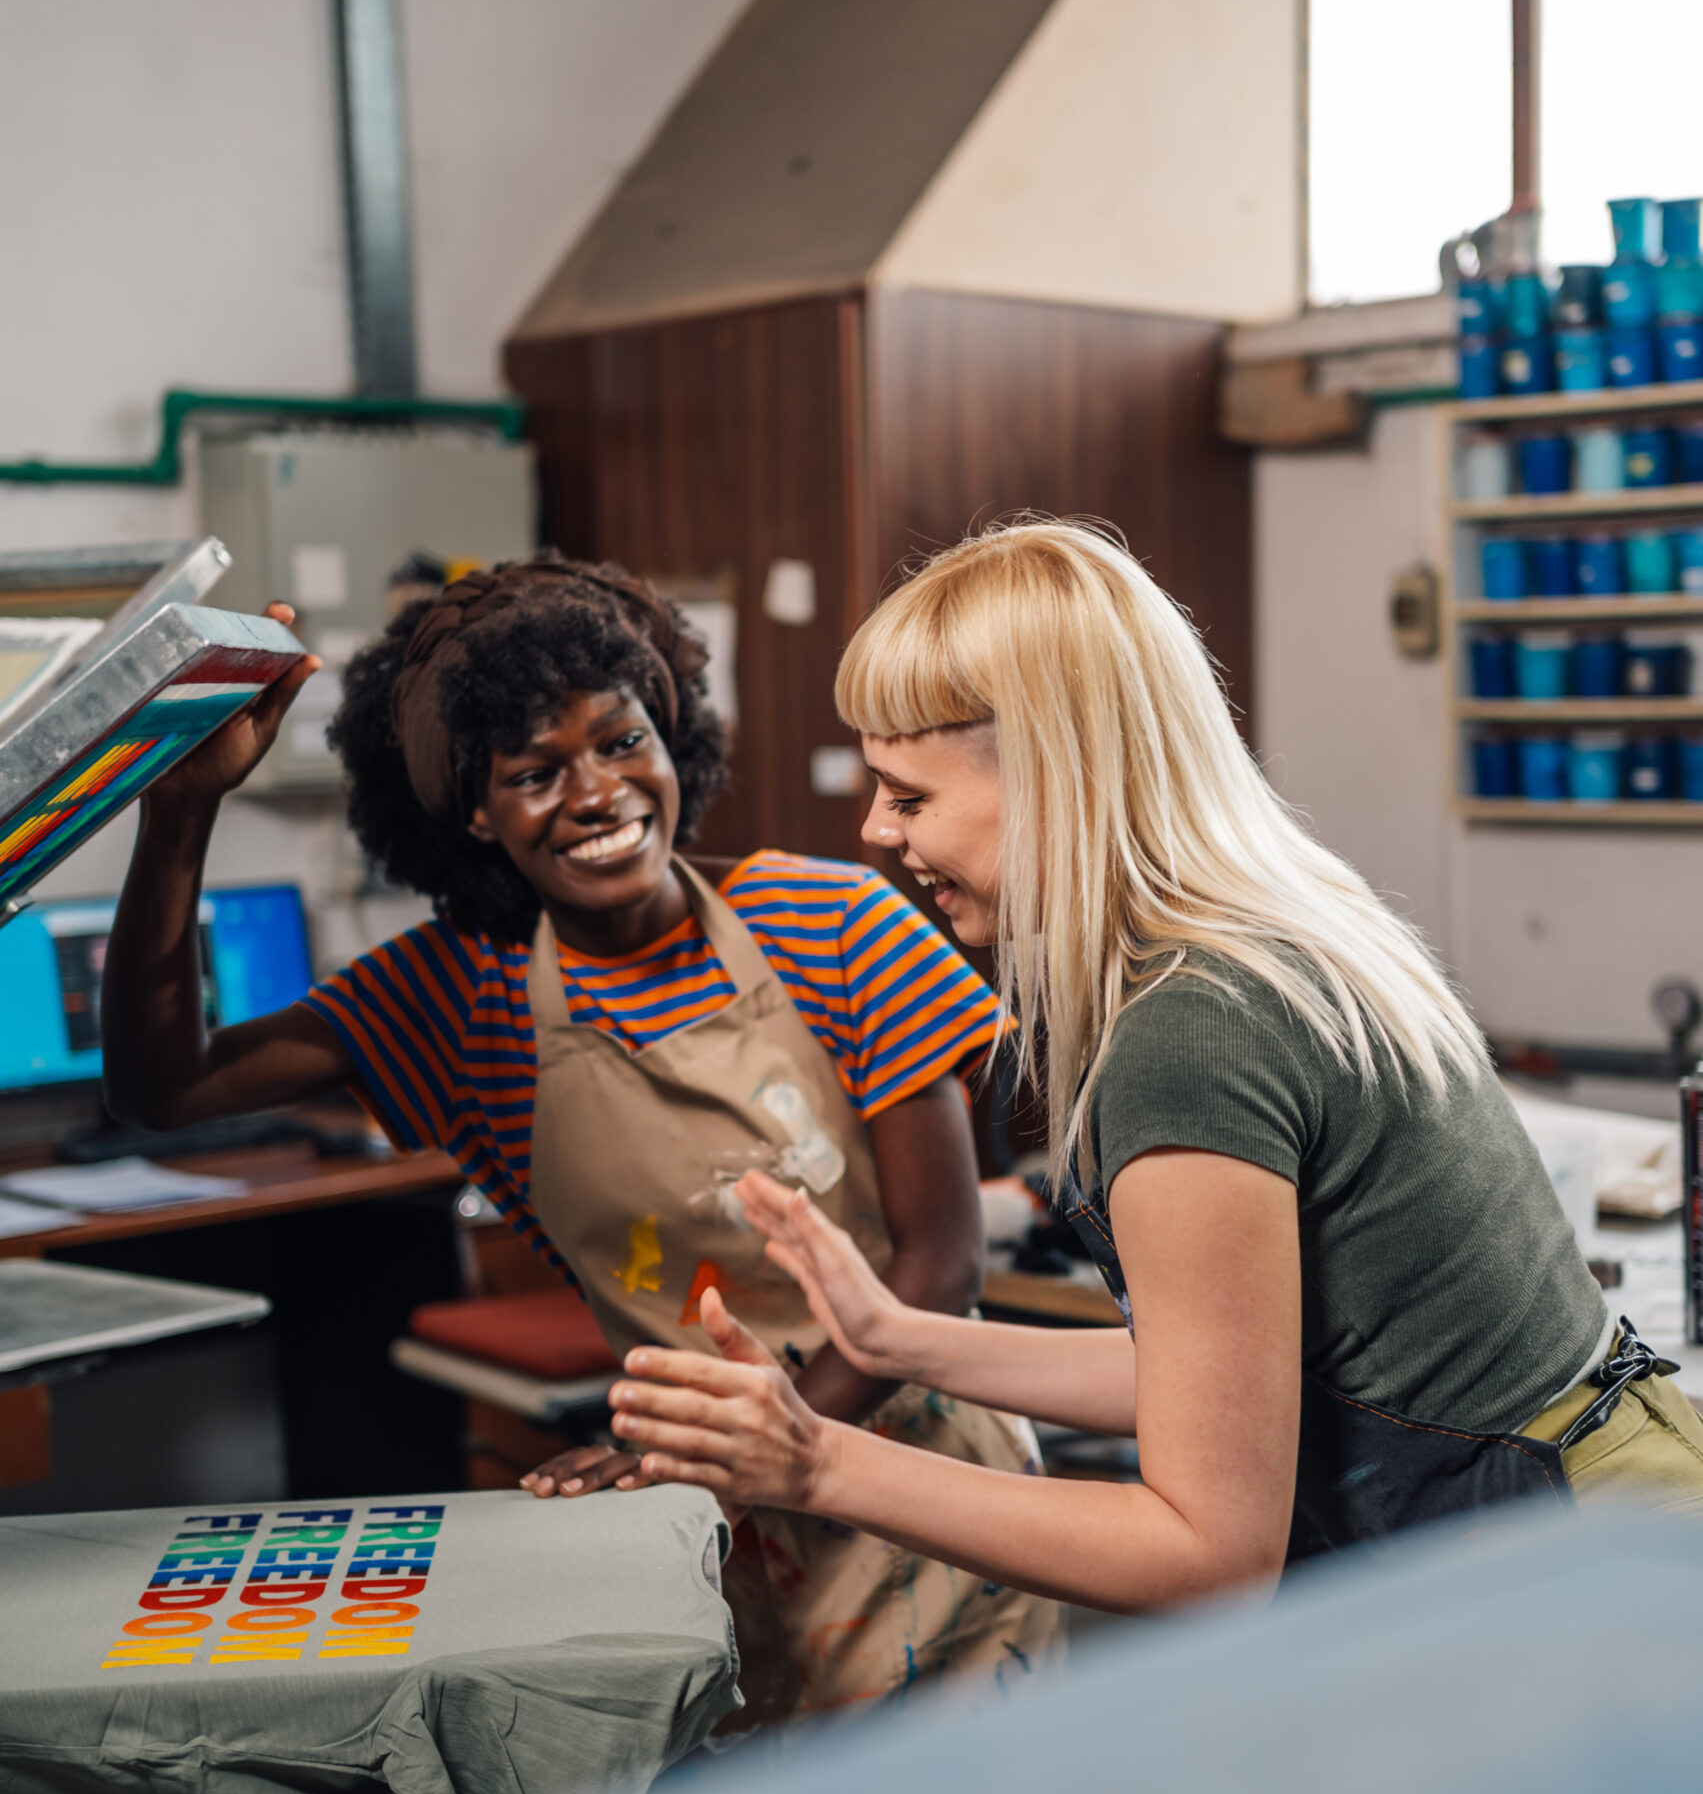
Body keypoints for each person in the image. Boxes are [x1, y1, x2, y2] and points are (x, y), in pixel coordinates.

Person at [602, 517, 1703, 1612]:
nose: (876, 832)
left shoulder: (1191, 1033)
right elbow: (1218, 1377)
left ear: (1049, 775)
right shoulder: (1270, 925)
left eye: (909, 795)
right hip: (1610, 1516)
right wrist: (900, 1338)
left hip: (1573, 1576)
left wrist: (816, 1463)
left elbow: (1206, 1553)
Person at [101, 552, 1062, 1706]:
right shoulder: (458, 1001)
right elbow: (163, 1086)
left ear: (669, 737)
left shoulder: (831, 918)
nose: (598, 791)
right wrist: (179, 803)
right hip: (703, 1528)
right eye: (534, 771)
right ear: (474, 810)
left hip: (924, 1490)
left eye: (620, 742)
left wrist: (749, 1449)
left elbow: (938, 1266)